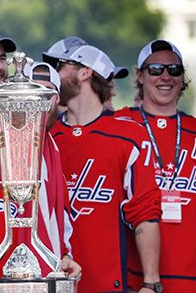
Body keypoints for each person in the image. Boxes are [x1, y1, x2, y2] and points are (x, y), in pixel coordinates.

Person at [114, 39, 196, 292]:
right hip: (134, 280)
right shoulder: (118, 127)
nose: (165, 77)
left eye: (174, 70)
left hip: (193, 278)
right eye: (156, 70)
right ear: (140, 75)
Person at [47, 39, 162, 293]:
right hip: (52, 279)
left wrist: (151, 284)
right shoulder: (46, 133)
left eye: (60, 65)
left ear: (85, 72)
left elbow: (145, 211)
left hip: (108, 283)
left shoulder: (128, 134)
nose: (53, 73)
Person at [0, 32, 81, 279]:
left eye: (1, 58)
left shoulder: (29, 130)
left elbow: (47, 208)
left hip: (23, 271)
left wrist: (59, 255)